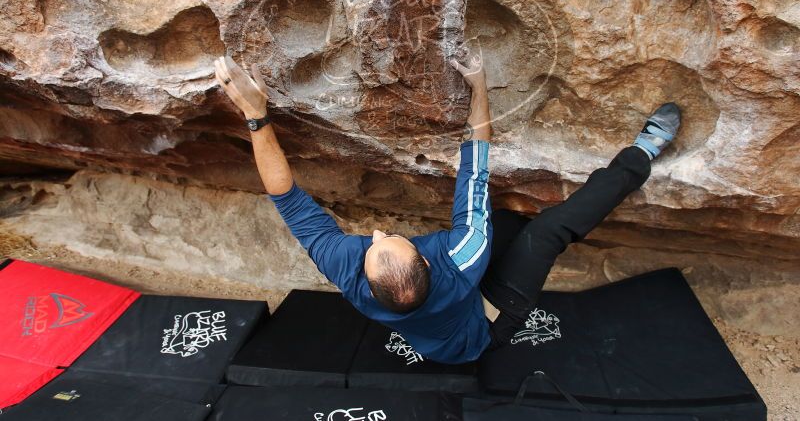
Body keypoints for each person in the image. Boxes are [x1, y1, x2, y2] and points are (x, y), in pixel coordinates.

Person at [214, 54, 681, 364]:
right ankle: (642, 153)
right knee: (547, 233)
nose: (376, 234)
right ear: (424, 259)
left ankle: (515, 234)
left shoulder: (347, 269)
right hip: (487, 327)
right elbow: (475, 164)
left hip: (443, 321)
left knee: (506, 224)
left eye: (374, 246)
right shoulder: (463, 255)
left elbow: (287, 198)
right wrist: (479, 84)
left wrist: (256, 116)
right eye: (387, 241)